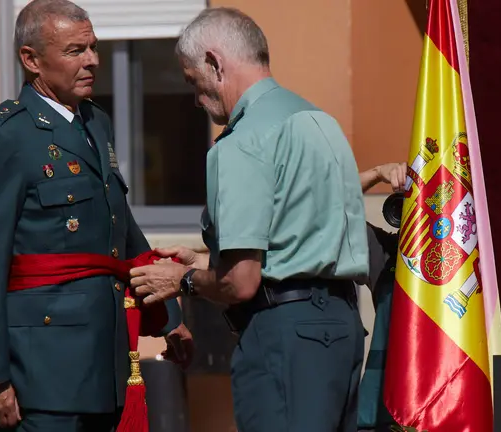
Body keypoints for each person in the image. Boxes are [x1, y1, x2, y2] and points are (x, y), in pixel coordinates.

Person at [0, 1, 192, 431]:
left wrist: (168, 316)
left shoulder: (96, 122)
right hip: (42, 372)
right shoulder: (6, 135)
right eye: (76, 51)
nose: (92, 60)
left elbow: (120, 227)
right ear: (31, 60)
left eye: (93, 47)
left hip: (105, 361)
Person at [129, 7, 370, 432]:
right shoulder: (320, 122)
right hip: (341, 325)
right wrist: (204, 262)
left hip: (284, 334)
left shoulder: (242, 142)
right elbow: (296, 241)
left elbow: (241, 282)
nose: (196, 98)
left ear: (214, 63)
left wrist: (182, 281)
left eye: (193, 81)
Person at [356, 162, 406, 432]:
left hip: (454, 407)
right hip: (383, 414)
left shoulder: (470, 262)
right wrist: (377, 174)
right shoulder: (386, 254)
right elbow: (323, 205)